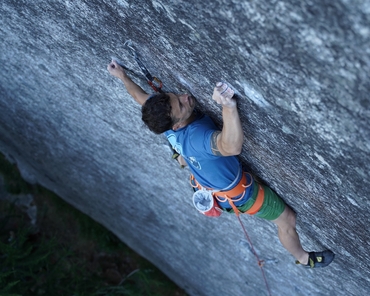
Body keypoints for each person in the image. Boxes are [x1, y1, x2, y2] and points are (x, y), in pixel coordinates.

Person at [107, 59, 334, 268]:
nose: (185, 97)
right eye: (182, 105)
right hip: (241, 195)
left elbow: (140, 97)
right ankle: (304, 259)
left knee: (187, 156)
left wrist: (122, 77)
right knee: (287, 219)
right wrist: (228, 106)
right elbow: (231, 147)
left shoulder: (166, 119)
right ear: (175, 124)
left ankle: (183, 160)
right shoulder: (196, 138)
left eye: (176, 96)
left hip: (206, 178)